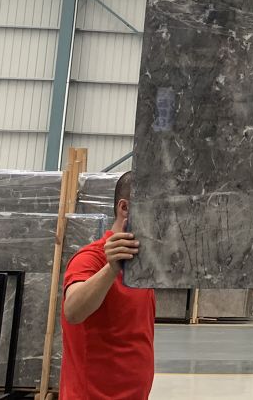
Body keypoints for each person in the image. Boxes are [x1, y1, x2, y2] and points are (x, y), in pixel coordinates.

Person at [60, 171, 156, 399]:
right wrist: (111, 269)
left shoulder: (142, 266)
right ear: (125, 208)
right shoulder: (90, 258)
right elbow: (72, 311)